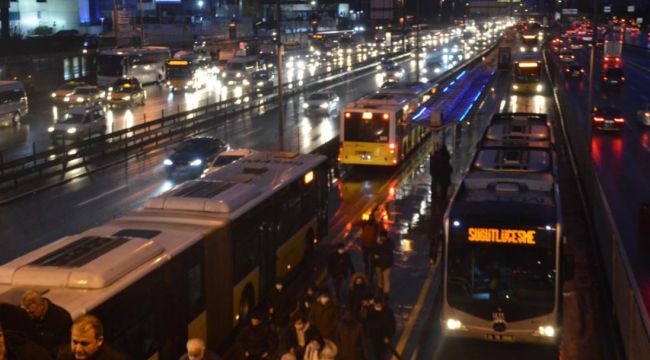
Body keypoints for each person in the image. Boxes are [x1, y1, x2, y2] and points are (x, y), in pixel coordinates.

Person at [20, 290, 72, 357]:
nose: (29, 316)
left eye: (32, 312)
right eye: (26, 313)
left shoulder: (62, 317)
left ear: (41, 306)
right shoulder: (26, 317)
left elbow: (65, 346)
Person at [56, 314, 125, 360]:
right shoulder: (63, 355)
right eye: (75, 342)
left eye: (84, 344)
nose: (78, 349)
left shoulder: (114, 358)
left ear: (99, 341)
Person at [373, 231, 394, 297]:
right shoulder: (377, 243)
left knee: (386, 279)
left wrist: (380, 244)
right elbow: (374, 251)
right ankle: (380, 290)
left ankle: (385, 294)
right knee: (379, 279)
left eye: (384, 236)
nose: (382, 238)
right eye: (381, 236)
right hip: (378, 264)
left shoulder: (389, 243)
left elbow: (388, 249)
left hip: (387, 265)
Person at [359, 213, 379, 281]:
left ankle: (371, 275)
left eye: (372, 217)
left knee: (372, 261)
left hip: (372, 246)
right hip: (365, 245)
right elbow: (358, 223)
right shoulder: (365, 223)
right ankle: (367, 270)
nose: (371, 218)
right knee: (365, 259)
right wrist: (350, 224)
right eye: (370, 217)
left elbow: (382, 230)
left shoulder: (376, 225)